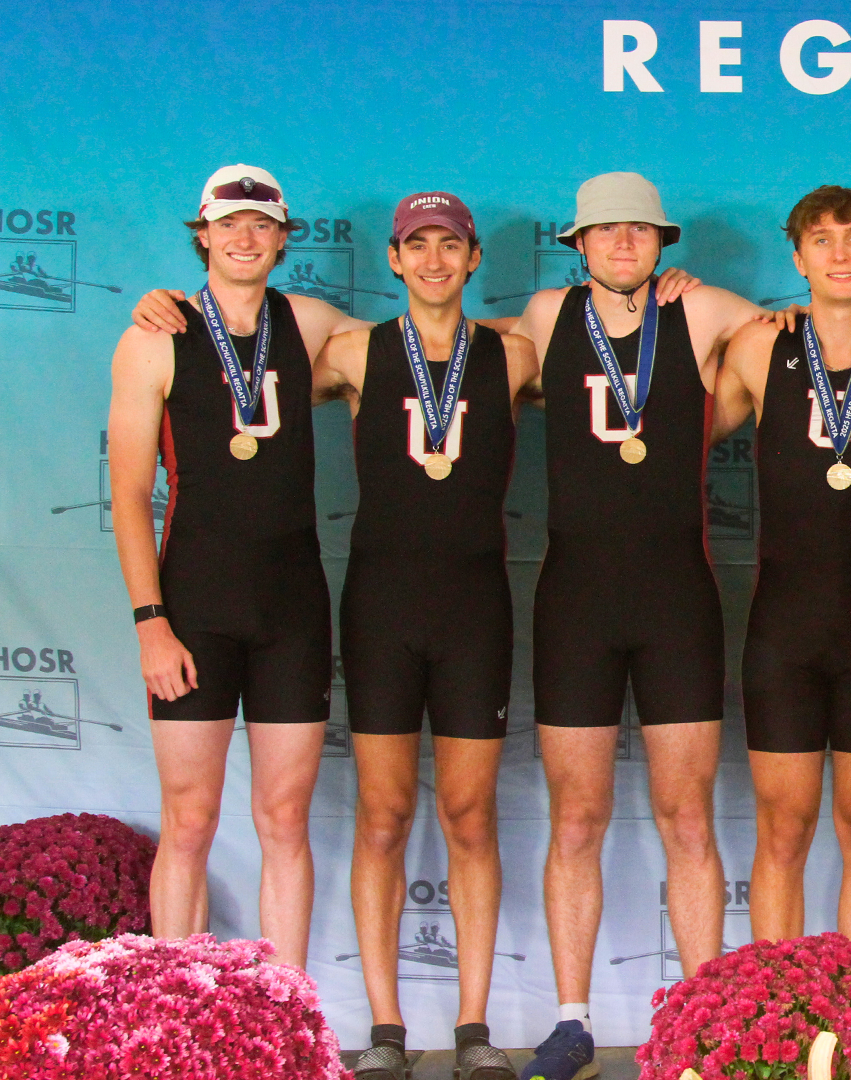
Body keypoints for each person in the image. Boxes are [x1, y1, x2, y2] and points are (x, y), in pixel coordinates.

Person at [485, 173, 763, 1080]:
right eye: (605, 232)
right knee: (579, 816)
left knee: (689, 816)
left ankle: (704, 1019)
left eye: (639, 231)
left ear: (661, 242)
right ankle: (571, 1022)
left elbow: (799, 333)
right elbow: (453, 350)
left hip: (678, 595)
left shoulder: (705, 308)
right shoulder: (542, 312)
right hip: (576, 598)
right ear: (578, 243)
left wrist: (706, 417)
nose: (622, 243)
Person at [107, 164, 367, 969]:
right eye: (229, 225)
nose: (245, 238)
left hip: (291, 608)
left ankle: (282, 1011)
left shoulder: (316, 322)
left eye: (261, 225)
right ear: (204, 235)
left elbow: (428, 345)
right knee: (188, 819)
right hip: (193, 609)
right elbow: (125, 497)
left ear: (283, 237)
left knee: (285, 820)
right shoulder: (155, 335)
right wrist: (152, 625)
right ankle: (174, 1009)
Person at [320, 193, 538, 1080]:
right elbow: (247, 342)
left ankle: (476, 1026)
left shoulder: (514, 355)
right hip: (379, 606)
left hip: (475, 608)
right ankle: (384, 1028)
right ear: (394, 258)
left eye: (452, 245)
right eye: (420, 246)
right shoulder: (349, 351)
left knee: (469, 814)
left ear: (476, 258)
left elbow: (640, 358)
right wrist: (172, 307)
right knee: (381, 815)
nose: (436, 260)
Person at [713, 185, 851, 944]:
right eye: (822, 239)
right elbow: (670, 428)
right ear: (797, 255)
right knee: (783, 826)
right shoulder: (755, 346)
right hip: (785, 624)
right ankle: (780, 1016)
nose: (839, 252)